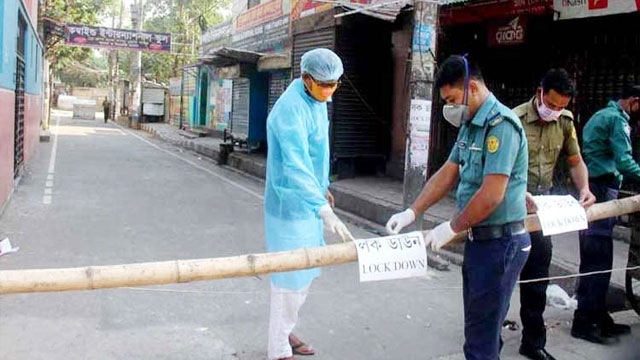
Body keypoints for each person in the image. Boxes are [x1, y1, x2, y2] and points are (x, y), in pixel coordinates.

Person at [385, 55, 530, 360]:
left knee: (480, 336)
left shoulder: (501, 126)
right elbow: (448, 172)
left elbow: (492, 195)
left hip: (501, 243)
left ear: (472, 88)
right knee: (481, 329)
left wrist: (451, 227)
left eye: (451, 99)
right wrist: (413, 211)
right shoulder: (471, 124)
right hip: (481, 242)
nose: (449, 108)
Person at [264, 48, 355, 360]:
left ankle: (286, 330)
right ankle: (277, 349)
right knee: (288, 278)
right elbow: (296, 163)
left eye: (335, 84)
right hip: (289, 204)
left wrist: (322, 188)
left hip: (309, 200)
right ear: (306, 79)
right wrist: (321, 207)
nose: (330, 90)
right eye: (324, 84)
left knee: (304, 274)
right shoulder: (290, 109)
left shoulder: (317, 100)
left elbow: (318, 149)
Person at [513, 69, 596, 360]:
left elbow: (575, 161)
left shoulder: (564, 122)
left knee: (537, 277)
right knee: (500, 275)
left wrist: (584, 187)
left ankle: (533, 342)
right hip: (510, 205)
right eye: (552, 104)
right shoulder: (514, 119)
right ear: (539, 93)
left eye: (562, 106)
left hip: (543, 208)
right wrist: (515, 193)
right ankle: (488, 336)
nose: (556, 111)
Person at [571, 84, 640, 344]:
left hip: (592, 188)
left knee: (593, 257)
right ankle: (585, 321)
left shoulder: (601, 115)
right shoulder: (617, 120)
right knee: (598, 258)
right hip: (600, 189)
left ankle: (598, 315)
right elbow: (624, 162)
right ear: (634, 101)